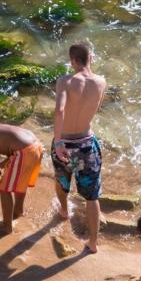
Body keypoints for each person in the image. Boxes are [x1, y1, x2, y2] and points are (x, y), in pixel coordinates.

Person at [52, 42, 107, 252]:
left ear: (72, 61)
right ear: (90, 58)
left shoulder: (65, 81)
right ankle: (93, 243)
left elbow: (60, 111)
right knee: (92, 195)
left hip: (65, 143)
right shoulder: (101, 82)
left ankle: (64, 212)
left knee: (62, 180)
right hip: (86, 143)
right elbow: (96, 108)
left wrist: (58, 142)